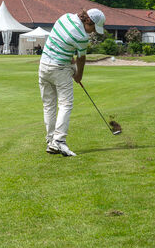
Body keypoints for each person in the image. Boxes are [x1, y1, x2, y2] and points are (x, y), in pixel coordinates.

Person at [38, 8, 105, 157]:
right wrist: (78, 75)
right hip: (59, 70)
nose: (93, 32)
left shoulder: (65, 17)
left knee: (49, 105)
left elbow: (63, 46)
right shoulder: (81, 36)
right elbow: (81, 58)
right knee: (65, 104)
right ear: (88, 21)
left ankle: (51, 141)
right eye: (93, 28)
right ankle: (59, 141)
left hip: (43, 67)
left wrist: (72, 65)